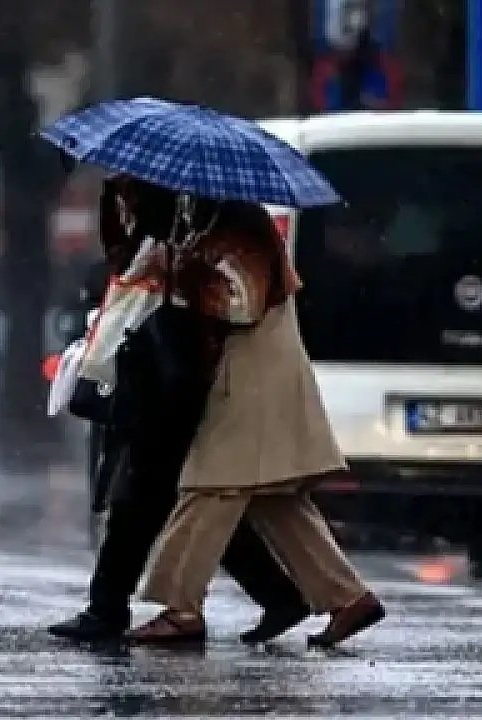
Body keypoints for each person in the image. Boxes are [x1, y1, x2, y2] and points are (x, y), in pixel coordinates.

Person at [48, 177, 310, 644]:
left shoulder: (234, 223)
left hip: (190, 378)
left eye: (136, 189)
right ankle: (276, 594)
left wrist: (184, 275)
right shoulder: (179, 222)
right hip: (160, 373)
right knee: (177, 498)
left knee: (151, 496)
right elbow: (126, 267)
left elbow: (242, 301)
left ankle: (112, 607)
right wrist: (120, 212)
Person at [128, 197, 385, 648]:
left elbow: (242, 305)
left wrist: (181, 272)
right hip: (254, 373)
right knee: (275, 498)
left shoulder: (243, 228)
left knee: (209, 487)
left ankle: (180, 607)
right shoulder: (217, 224)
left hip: (252, 377)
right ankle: (348, 598)